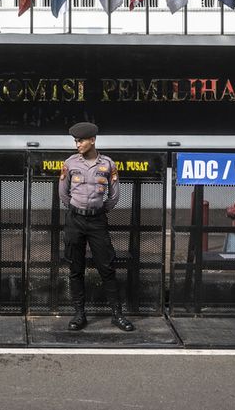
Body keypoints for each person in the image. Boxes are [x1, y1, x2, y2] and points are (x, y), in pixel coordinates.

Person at [59, 121, 134, 332]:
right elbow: (63, 194)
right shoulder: (70, 164)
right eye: (75, 141)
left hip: (97, 221)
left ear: (92, 140)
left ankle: (117, 315)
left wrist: (98, 210)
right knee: (76, 268)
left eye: (81, 140)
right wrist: (78, 209)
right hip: (75, 220)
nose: (77, 145)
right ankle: (79, 314)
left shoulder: (108, 164)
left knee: (107, 267)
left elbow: (114, 195)